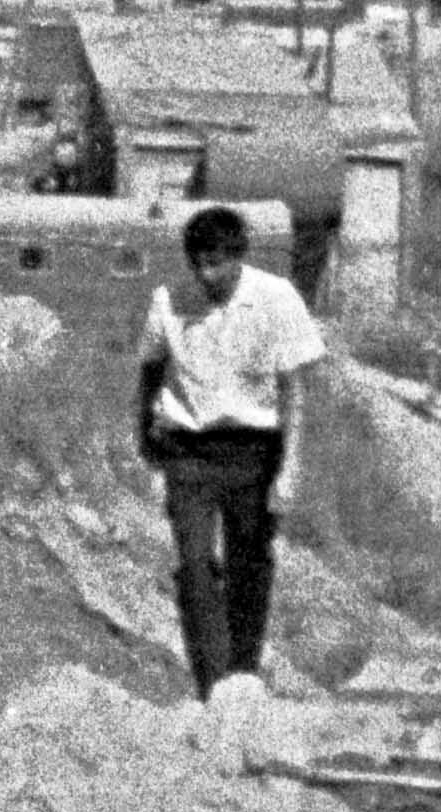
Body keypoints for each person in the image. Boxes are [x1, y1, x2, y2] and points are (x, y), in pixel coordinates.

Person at [135, 201, 326, 700]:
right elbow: (150, 368)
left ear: (239, 257)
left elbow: (293, 389)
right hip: (189, 451)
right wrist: (145, 435)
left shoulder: (276, 298)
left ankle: (244, 671)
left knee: (250, 562)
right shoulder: (169, 301)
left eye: (216, 263)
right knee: (195, 564)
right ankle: (213, 683)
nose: (206, 274)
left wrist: (290, 468)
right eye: (198, 263)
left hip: (253, 451)